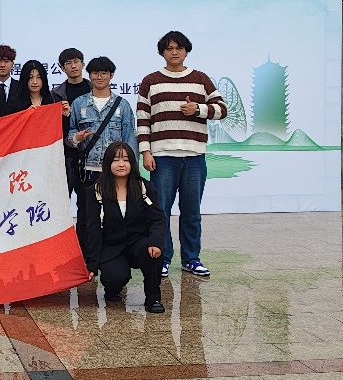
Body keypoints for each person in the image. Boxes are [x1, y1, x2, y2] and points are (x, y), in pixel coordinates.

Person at [137, 31, 227, 278]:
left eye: (179, 48)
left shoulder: (200, 79)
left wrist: (198, 109)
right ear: (162, 52)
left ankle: (191, 259)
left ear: (187, 50)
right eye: (169, 48)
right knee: (160, 212)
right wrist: (145, 151)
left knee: (191, 212)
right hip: (162, 156)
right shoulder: (151, 81)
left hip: (194, 156)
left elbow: (222, 109)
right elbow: (143, 119)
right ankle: (163, 258)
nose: (174, 52)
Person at [81, 141, 166, 314]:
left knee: (153, 253)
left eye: (126, 160)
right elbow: (92, 229)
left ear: (132, 163)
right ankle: (112, 290)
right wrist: (92, 264)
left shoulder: (145, 187)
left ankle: (153, 298)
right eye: (116, 160)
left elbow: (157, 219)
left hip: (138, 243)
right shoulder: (95, 191)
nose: (121, 164)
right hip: (111, 247)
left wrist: (156, 242)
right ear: (107, 163)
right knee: (115, 276)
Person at [66, 57, 137, 247]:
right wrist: (76, 138)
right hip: (87, 171)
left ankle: (113, 254)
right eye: (95, 73)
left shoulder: (122, 105)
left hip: (114, 172)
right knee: (86, 215)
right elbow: (69, 135)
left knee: (115, 215)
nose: (99, 77)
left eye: (104, 73)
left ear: (111, 75)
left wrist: (131, 170)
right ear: (89, 75)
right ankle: (86, 256)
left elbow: (130, 138)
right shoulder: (79, 104)